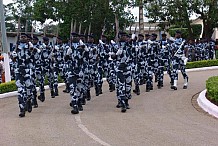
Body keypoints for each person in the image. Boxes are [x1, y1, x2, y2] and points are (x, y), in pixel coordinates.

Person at [12, 33, 34, 117]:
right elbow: (14, 59)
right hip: (19, 71)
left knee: (29, 89)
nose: (23, 38)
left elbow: (33, 53)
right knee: (20, 90)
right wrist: (14, 55)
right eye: (22, 37)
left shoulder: (29, 46)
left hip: (27, 70)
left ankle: (28, 101)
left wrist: (30, 46)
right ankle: (22, 109)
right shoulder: (16, 47)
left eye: (24, 37)